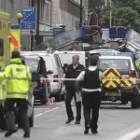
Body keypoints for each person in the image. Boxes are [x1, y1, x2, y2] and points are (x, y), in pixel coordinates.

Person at [0, 51, 32, 138]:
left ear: (12, 57)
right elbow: (29, 80)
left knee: (7, 110)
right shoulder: (26, 68)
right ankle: (27, 132)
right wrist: (29, 89)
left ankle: (12, 127)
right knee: (23, 113)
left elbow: (3, 76)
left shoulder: (9, 67)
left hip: (11, 94)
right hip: (22, 94)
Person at [77, 55, 102, 134]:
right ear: (97, 62)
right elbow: (103, 80)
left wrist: (80, 88)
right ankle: (94, 128)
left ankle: (87, 125)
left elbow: (77, 80)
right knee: (95, 111)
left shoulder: (84, 72)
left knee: (86, 110)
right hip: (96, 93)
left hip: (86, 93)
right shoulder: (99, 72)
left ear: (89, 62)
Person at [64, 55, 85, 124]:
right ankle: (70, 117)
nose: (73, 61)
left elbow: (84, 78)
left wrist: (82, 87)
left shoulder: (81, 68)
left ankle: (78, 119)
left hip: (77, 89)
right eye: (72, 59)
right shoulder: (69, 67)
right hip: (70, 88)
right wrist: (65, 86)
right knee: (67, 101)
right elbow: (66, 77)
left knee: (78, 103)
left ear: (77, 60)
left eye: (74, 59)